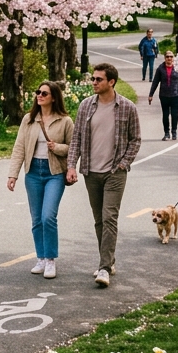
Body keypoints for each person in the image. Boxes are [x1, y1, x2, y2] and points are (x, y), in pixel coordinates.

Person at [66, 63, 141, 288]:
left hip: (115, 172)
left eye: (98, 79)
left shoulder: (127, 107)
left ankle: (104, 268)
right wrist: (71, 166)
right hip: (91, 171)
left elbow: (135, 140)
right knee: (99, 220)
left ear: (111, 82)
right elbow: (77, 138)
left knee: (109, 218)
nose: (94, 83)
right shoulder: (86, 106)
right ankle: (109, 260)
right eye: (93, 79)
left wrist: (123, 164)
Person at [6, 80, 73, 279]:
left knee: (48, 217)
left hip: (54, 173)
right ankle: (41, 258)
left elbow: (73, 147)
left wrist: (57, 147)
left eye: (44, 93)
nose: (39, 96)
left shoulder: (65, 121)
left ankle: (50, 260)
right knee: (36, 219)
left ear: (54, 97)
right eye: (38, 92)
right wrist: (13, 174)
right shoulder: (29, 119)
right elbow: (19, 147)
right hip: (33, 172)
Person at [147, 51, 178, 140]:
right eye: (167, 56)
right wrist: (151, 94)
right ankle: (166, 133)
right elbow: (155, 82)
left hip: (175, 95)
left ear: (173, 58)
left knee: (174, 114)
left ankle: (174, 132)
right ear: (164, 58)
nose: (169, 58)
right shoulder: (160, 69)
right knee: (165, 115)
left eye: (171, 56)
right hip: (164, 95)